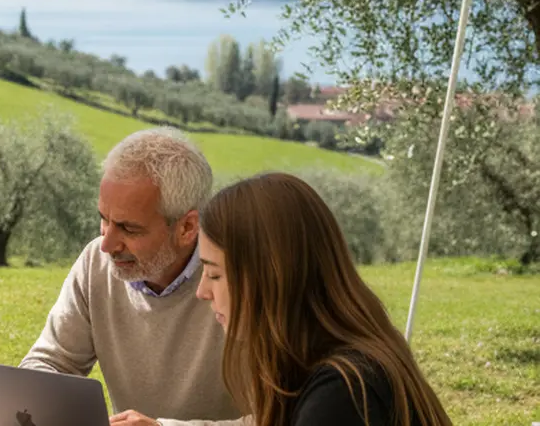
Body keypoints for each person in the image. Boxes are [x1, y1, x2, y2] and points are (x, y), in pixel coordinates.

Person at [19, 128, 243, 425]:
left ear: (187, 228)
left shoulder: (240, 280)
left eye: (129, 228)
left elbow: (283, 416)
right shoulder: (95, 263)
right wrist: (31, 398)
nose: (107, 245)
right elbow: (51, 361)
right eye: (104, 219)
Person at [190, 172, 451, 425]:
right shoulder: (326, 369)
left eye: (214, 274)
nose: (202, 292)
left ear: (271, 276)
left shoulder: (343, 394)